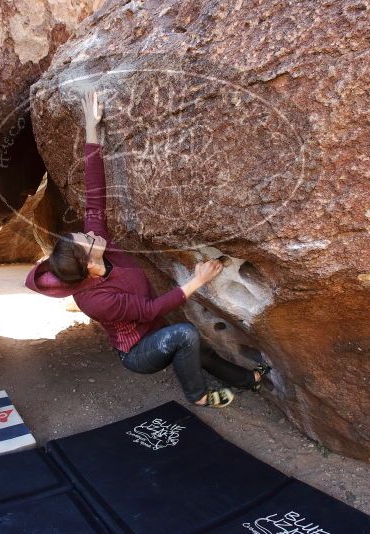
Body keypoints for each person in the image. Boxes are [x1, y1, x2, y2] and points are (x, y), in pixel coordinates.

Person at [26, 91, 270, 408]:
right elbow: (150, 311)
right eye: (85, 242)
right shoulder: (94, 300)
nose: (89, 234)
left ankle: (248, 380)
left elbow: (95, 191)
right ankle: (197, 396)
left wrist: (91, 129)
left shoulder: (99, 242)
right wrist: (198, 280)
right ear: (88, 265)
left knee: (195, 346)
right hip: (138, 352)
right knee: (183, 335)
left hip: (155, 331)